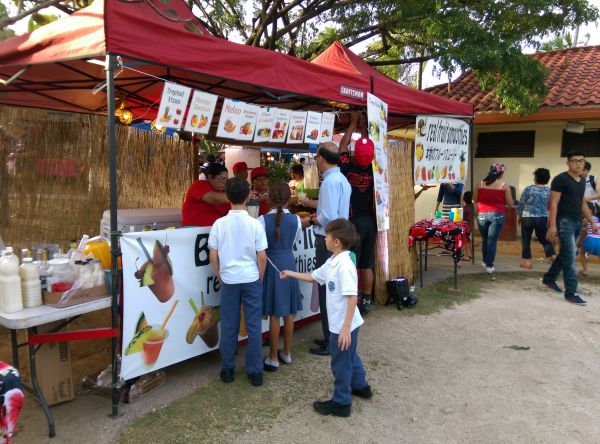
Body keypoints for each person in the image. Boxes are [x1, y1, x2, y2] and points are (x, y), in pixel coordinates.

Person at [280, 219, 371, 417]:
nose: (324, 239)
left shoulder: (344, 265)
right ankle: (360, 386)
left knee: (340, 363)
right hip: (344, 324)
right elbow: (314, 277)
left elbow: (352, 297)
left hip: (344, 325)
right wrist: (290, 273)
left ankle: (341, 402)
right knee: (350, 356)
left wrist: (345, 328)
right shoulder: (333, 261)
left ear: (336, 242)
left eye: (327, 236)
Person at [208, 177, 268, 386]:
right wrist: (260, 275)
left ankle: (227, 370)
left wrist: (219, 274)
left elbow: (213, 255)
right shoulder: (255, 224)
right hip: (251, 278)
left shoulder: (219, 224)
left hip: (229, 280)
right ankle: (256, 372)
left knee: (229, 325)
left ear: (226, 196)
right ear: (248, 196)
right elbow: (262, 256)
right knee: (253, 326)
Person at [298, 143, 351, 356]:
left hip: (328, 240)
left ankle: (331, 340)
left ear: (321, 158)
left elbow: (328, 216)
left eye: (316, 158)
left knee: (327, 290)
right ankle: (331, 335)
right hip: (339, 238)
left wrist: (310, 221)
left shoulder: (329, 181)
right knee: (333, 290)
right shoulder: (341, 179)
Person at [543, 151, 597, 305]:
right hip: (564, 222)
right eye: (575, 161)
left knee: (568, 252)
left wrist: (591, 221)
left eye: (581, 161)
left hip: (578, 221)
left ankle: (549, 278)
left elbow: (582, 203)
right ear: (568, 163)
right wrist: (552, 225)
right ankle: (571, 292)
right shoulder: (560, 179)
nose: (579, 164)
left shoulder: (582, 180)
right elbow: (553, 203)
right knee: (570, 256)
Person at [259, 182, 302, 371]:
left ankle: (273, 357)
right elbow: (296, 239)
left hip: (271, 264)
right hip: (289, 262)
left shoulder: (261, 221)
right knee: (289, 312)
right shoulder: (296, 219)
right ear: (288, 199)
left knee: (275, 313)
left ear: (269, 198)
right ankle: (287, 352)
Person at [337, 111, 376, 314]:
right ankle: (366, 300)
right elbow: (366, 148)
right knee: (367, 264)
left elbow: (342, 146)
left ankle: (352, 301)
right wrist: (363, 127)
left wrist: (352, 123)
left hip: (355, 223)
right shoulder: (374, 170)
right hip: (371, 222)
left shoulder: (348, 168)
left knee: (352, 264)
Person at [473, 162, 514, 279]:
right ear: (501, 173)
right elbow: (510, 204)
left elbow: (474, 200)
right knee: (492, 240)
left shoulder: (480, 183)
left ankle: (485, 262)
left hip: (482, 214)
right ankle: (489, 265)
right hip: (497, 215)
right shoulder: (504, 186)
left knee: (485, 239)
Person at [516, 168, 555, 269]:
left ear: (536, 178)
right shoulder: (549, 191)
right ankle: (553, 257)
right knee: (544, 239)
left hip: (527, 217)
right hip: (542, 218)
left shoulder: (528, 189)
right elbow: (552, 205)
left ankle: (527, 262)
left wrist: (519, 215)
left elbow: (521, 203)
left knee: (526, 240)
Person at [181, 163, 230, 227]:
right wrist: (238, 196)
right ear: (210, 177)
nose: (225, 182)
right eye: (222, 178)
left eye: (226, 179)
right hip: (193, 229)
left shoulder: (224, 193)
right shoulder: (199, 185)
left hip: (213, 230)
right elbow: (213, 199)